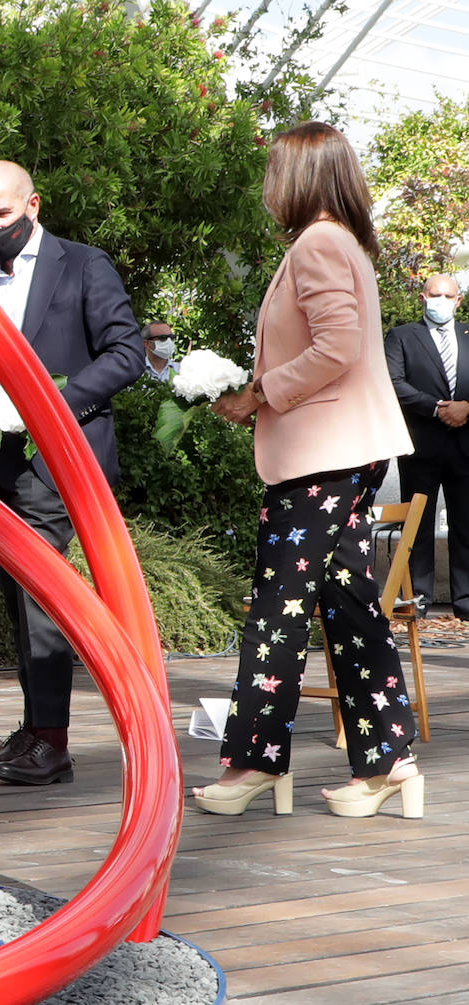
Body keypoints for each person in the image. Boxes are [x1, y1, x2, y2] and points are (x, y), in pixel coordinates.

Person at [197, 121, 425, 819]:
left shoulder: (319, 243)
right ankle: (389, 762)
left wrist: (259, 393)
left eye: (274, 173)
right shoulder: (342, 241)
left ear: (297, 179)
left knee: (278, 609)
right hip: (346, 450)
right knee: (351, 604)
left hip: (321, 455)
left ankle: (253, 762)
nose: (268, 187)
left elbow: (339, 346)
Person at [0, 160, 145, 785]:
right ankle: (35, 726)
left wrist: (48, 402)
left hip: (59, 458)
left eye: (1, 214)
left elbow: (127, 353)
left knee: (41, 594)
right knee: (16, 594)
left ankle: (52, 739)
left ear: (32, 205)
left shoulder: (83, 265)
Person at [384, 273, 469, 619]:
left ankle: (465, 600)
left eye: (448, 296)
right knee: (417, 524)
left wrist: (466, 407)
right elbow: (393, 381)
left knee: (466, 523)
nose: (441, 302)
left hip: (465, 444)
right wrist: (436, 407)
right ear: (422, 297)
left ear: (458, 300)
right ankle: (418, 597)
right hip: (421, 444)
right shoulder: (402, 336)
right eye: (435, 295)